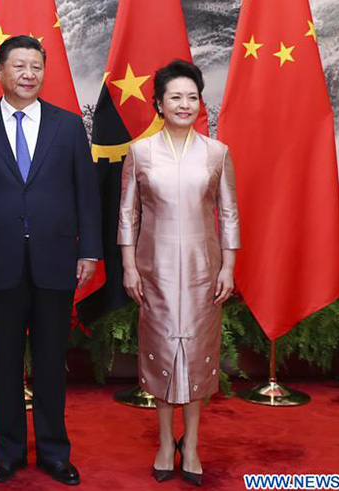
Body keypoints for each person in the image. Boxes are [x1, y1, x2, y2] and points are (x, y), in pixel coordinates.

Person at [0, 36, 102, 486]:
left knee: (51, 361)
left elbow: (86, 193)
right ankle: (9, 453)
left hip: (56, 259)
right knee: (6, 362)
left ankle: (55, 453)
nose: (28, 74)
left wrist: (89, 250)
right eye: (19, 66)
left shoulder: (68, 126)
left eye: (36, 66)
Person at [118, 59, 240, 487]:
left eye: (192, 97)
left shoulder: (216, 152)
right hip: (155, 272)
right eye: (175, 97)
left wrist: (229, 266)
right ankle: (165, 442)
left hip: (204, 271)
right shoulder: (140, 152)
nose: (184, 104)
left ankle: (192, 446)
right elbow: (128, 215)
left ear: (200, 102)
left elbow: (229, 214)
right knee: (163, 353)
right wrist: (129, 267)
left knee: (198, 357)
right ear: (159, 103)